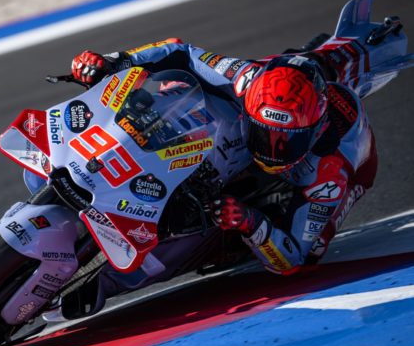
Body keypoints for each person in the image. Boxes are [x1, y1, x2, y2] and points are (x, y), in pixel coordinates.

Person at [69, 38, 377, 275]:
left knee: (313, 251)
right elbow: (179, 51)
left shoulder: (330, 169)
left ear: (315, 129)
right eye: (264, 134)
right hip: (276, 93)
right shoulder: (245, 78)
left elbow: (293, 257)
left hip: (346, 169)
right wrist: (116, 61)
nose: (271, 149)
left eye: (286, 142)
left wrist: (248, 221)